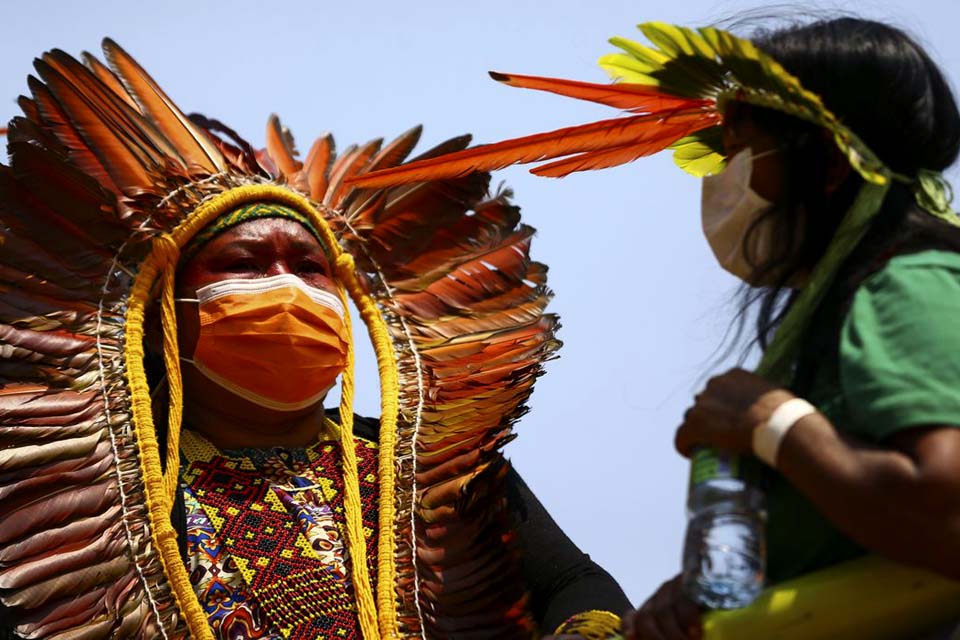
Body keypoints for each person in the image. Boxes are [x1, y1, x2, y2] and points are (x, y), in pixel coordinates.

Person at [348, 15, 960, 640]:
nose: (721, 176)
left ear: (828, 166)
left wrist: (772, 426)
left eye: (737, 147)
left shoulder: (907, 284)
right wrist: (699, 598)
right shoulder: (828, 319)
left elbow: (945, 517)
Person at [0, 39, 629, 639]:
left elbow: (578, 585)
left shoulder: (434, 474)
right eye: (246, 264)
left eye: (309, 268)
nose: (286, 287)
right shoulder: (99, 494)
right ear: (165, 308)